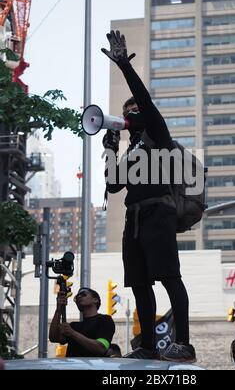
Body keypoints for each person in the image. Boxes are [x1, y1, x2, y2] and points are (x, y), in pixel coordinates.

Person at [101, 30, 196, 362]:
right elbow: (113, 186)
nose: (129, 113)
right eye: (126, 110)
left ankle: (183, 342)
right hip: (135, 217)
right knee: (140, 283)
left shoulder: (157, 132)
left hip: (159, 212)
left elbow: (144, 100)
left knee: (169, 277)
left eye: (133, 109)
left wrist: (124, 66)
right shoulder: (131, 151)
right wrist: (111, 149)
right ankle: (147, 346)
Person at [49, 287, 115, 358]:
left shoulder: (105, 320)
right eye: (76, 297)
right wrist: (58, 309)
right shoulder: (73, 326)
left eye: (83, 294)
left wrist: (73, 333)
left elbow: (101, 348)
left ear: (95, 300)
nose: (79, 297)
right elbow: (53, 338)